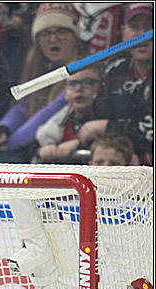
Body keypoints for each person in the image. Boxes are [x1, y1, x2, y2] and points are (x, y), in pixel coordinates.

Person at [0, 3, 83, 163]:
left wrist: (8, 146)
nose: (53, 39)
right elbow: (23, 107)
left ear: (75, 37)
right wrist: (2, 130)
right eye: (45, 33)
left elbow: (49, 112)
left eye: (61, 32)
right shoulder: (36, 68)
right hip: (27, 146)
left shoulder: (80, 73)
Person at [103, 2, 153, 166]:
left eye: (150, 26)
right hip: (121, 167)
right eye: (134, 27)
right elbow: (98, 115)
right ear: (124, 32)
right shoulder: (114, 71)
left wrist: (107, 126)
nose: (142, 35)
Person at [33, 66, 109, 164]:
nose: (79, 89)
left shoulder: (110, 118)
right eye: (72, 84)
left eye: (88, 83)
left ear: (101, 87)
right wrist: (43, 151)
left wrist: (79, 146)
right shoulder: (55, 124)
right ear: (65, 93)